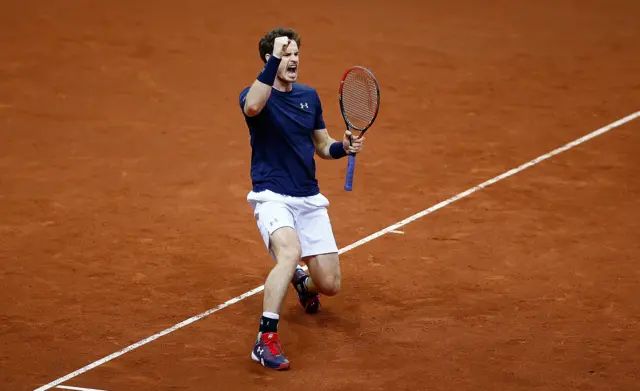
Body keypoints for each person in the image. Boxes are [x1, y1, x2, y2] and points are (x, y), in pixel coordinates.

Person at [238, 27, 365, 370]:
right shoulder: (254, 95)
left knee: (330, 284)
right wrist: (274, 57)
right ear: (271, 59)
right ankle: (265, 340)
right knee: (289, 252)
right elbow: (252, 106)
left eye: (296, 54)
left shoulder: (308, 96)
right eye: (286, 53)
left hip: (308, 198)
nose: (294, 60)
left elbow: (322, 146)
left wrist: (343, 147)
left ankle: (303, 283)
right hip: (271, 195)